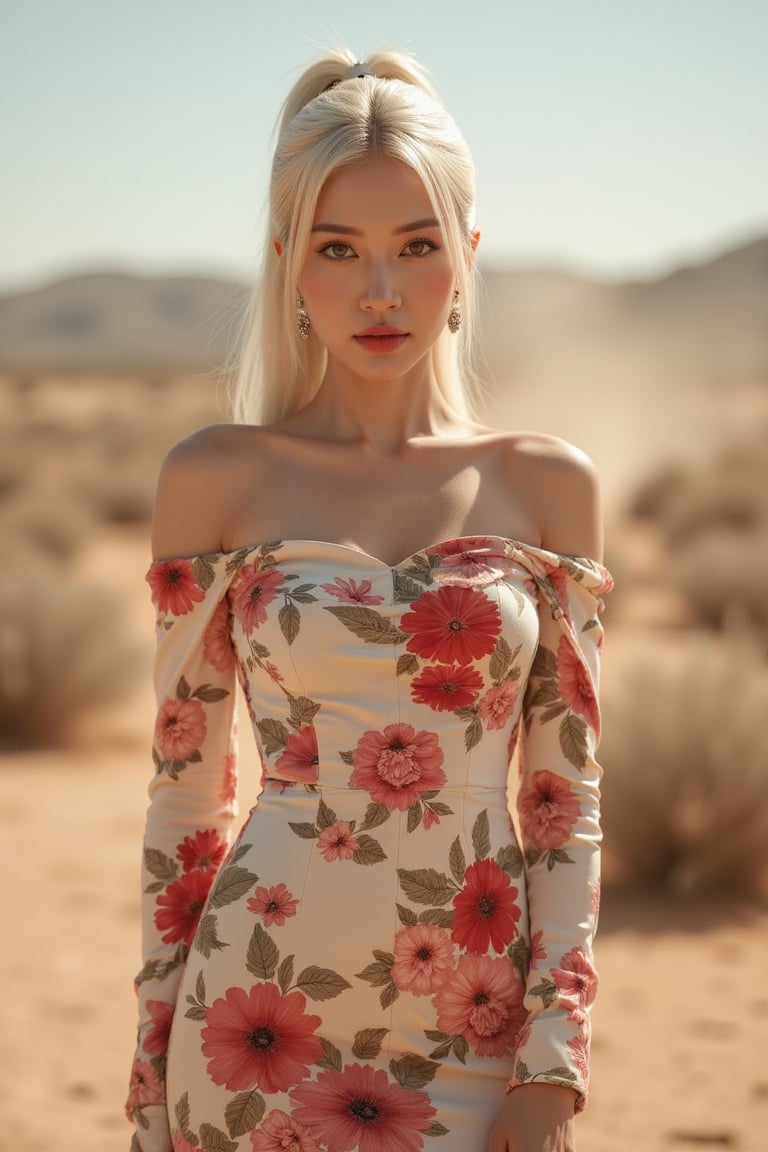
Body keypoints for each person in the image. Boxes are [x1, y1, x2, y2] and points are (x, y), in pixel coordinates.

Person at [126, 47, 612, 1152]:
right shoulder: (215, 478)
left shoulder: (547, 484)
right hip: (252, 1029)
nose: (380, 290)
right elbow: (187, 804)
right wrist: (151, 1089)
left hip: (481, 1036)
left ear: (468, 257)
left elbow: (564, 801)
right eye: (340, 249)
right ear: (290, 262)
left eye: (417, 247)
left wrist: (555, 1065)